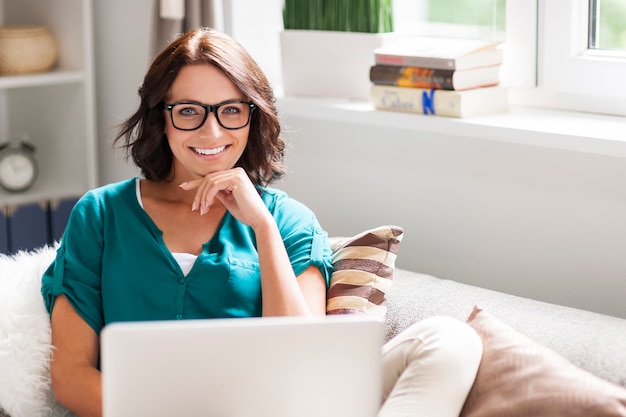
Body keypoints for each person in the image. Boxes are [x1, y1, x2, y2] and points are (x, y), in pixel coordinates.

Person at [41, 27, 482, 417]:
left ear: (253, 116)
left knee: (450, 341)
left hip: (280, 408)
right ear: (162, 117)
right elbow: (72, 375)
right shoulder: (100, 215)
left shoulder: (287, 220)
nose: (212, 133)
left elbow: (301, 364)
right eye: (189, 111)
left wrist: (263, 230)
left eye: (231, 110)